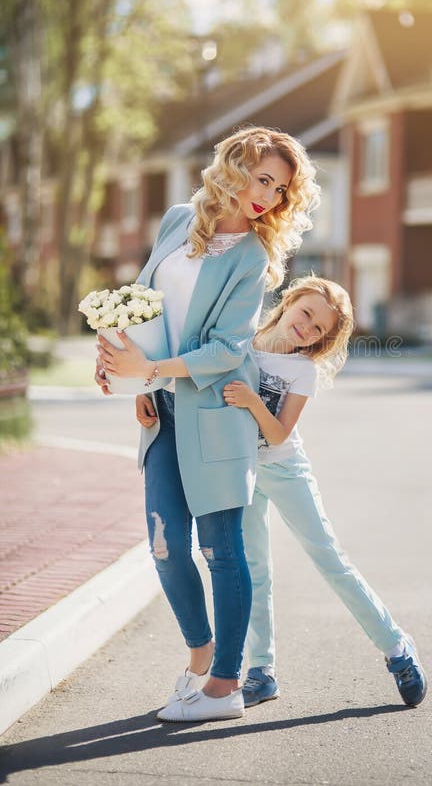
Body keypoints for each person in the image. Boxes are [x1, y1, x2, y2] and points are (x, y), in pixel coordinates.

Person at [95, 127, 319, 723]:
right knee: (166, 546)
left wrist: (155, 369)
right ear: (233, 167)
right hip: (161, 409)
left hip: (216, 412)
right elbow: (142, 305)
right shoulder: (175, 221)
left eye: (280, 188)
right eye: (262, 178)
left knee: (221, 550)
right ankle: (200, 660)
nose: (267, 196)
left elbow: (226, 348)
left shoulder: (251, 257)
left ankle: (226, 687)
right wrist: (126, 374)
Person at [221, 275, 427, 709]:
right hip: (242, 471)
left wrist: (253, 400)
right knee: (254, 568)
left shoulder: (302, 370)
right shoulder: (242, 339)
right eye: (307, 313)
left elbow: (277, 434)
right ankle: (262, 671)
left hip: (285, 468)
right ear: (290, 300)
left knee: (330, 559)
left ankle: (397, 648)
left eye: (319, 329)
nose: (308, 328)